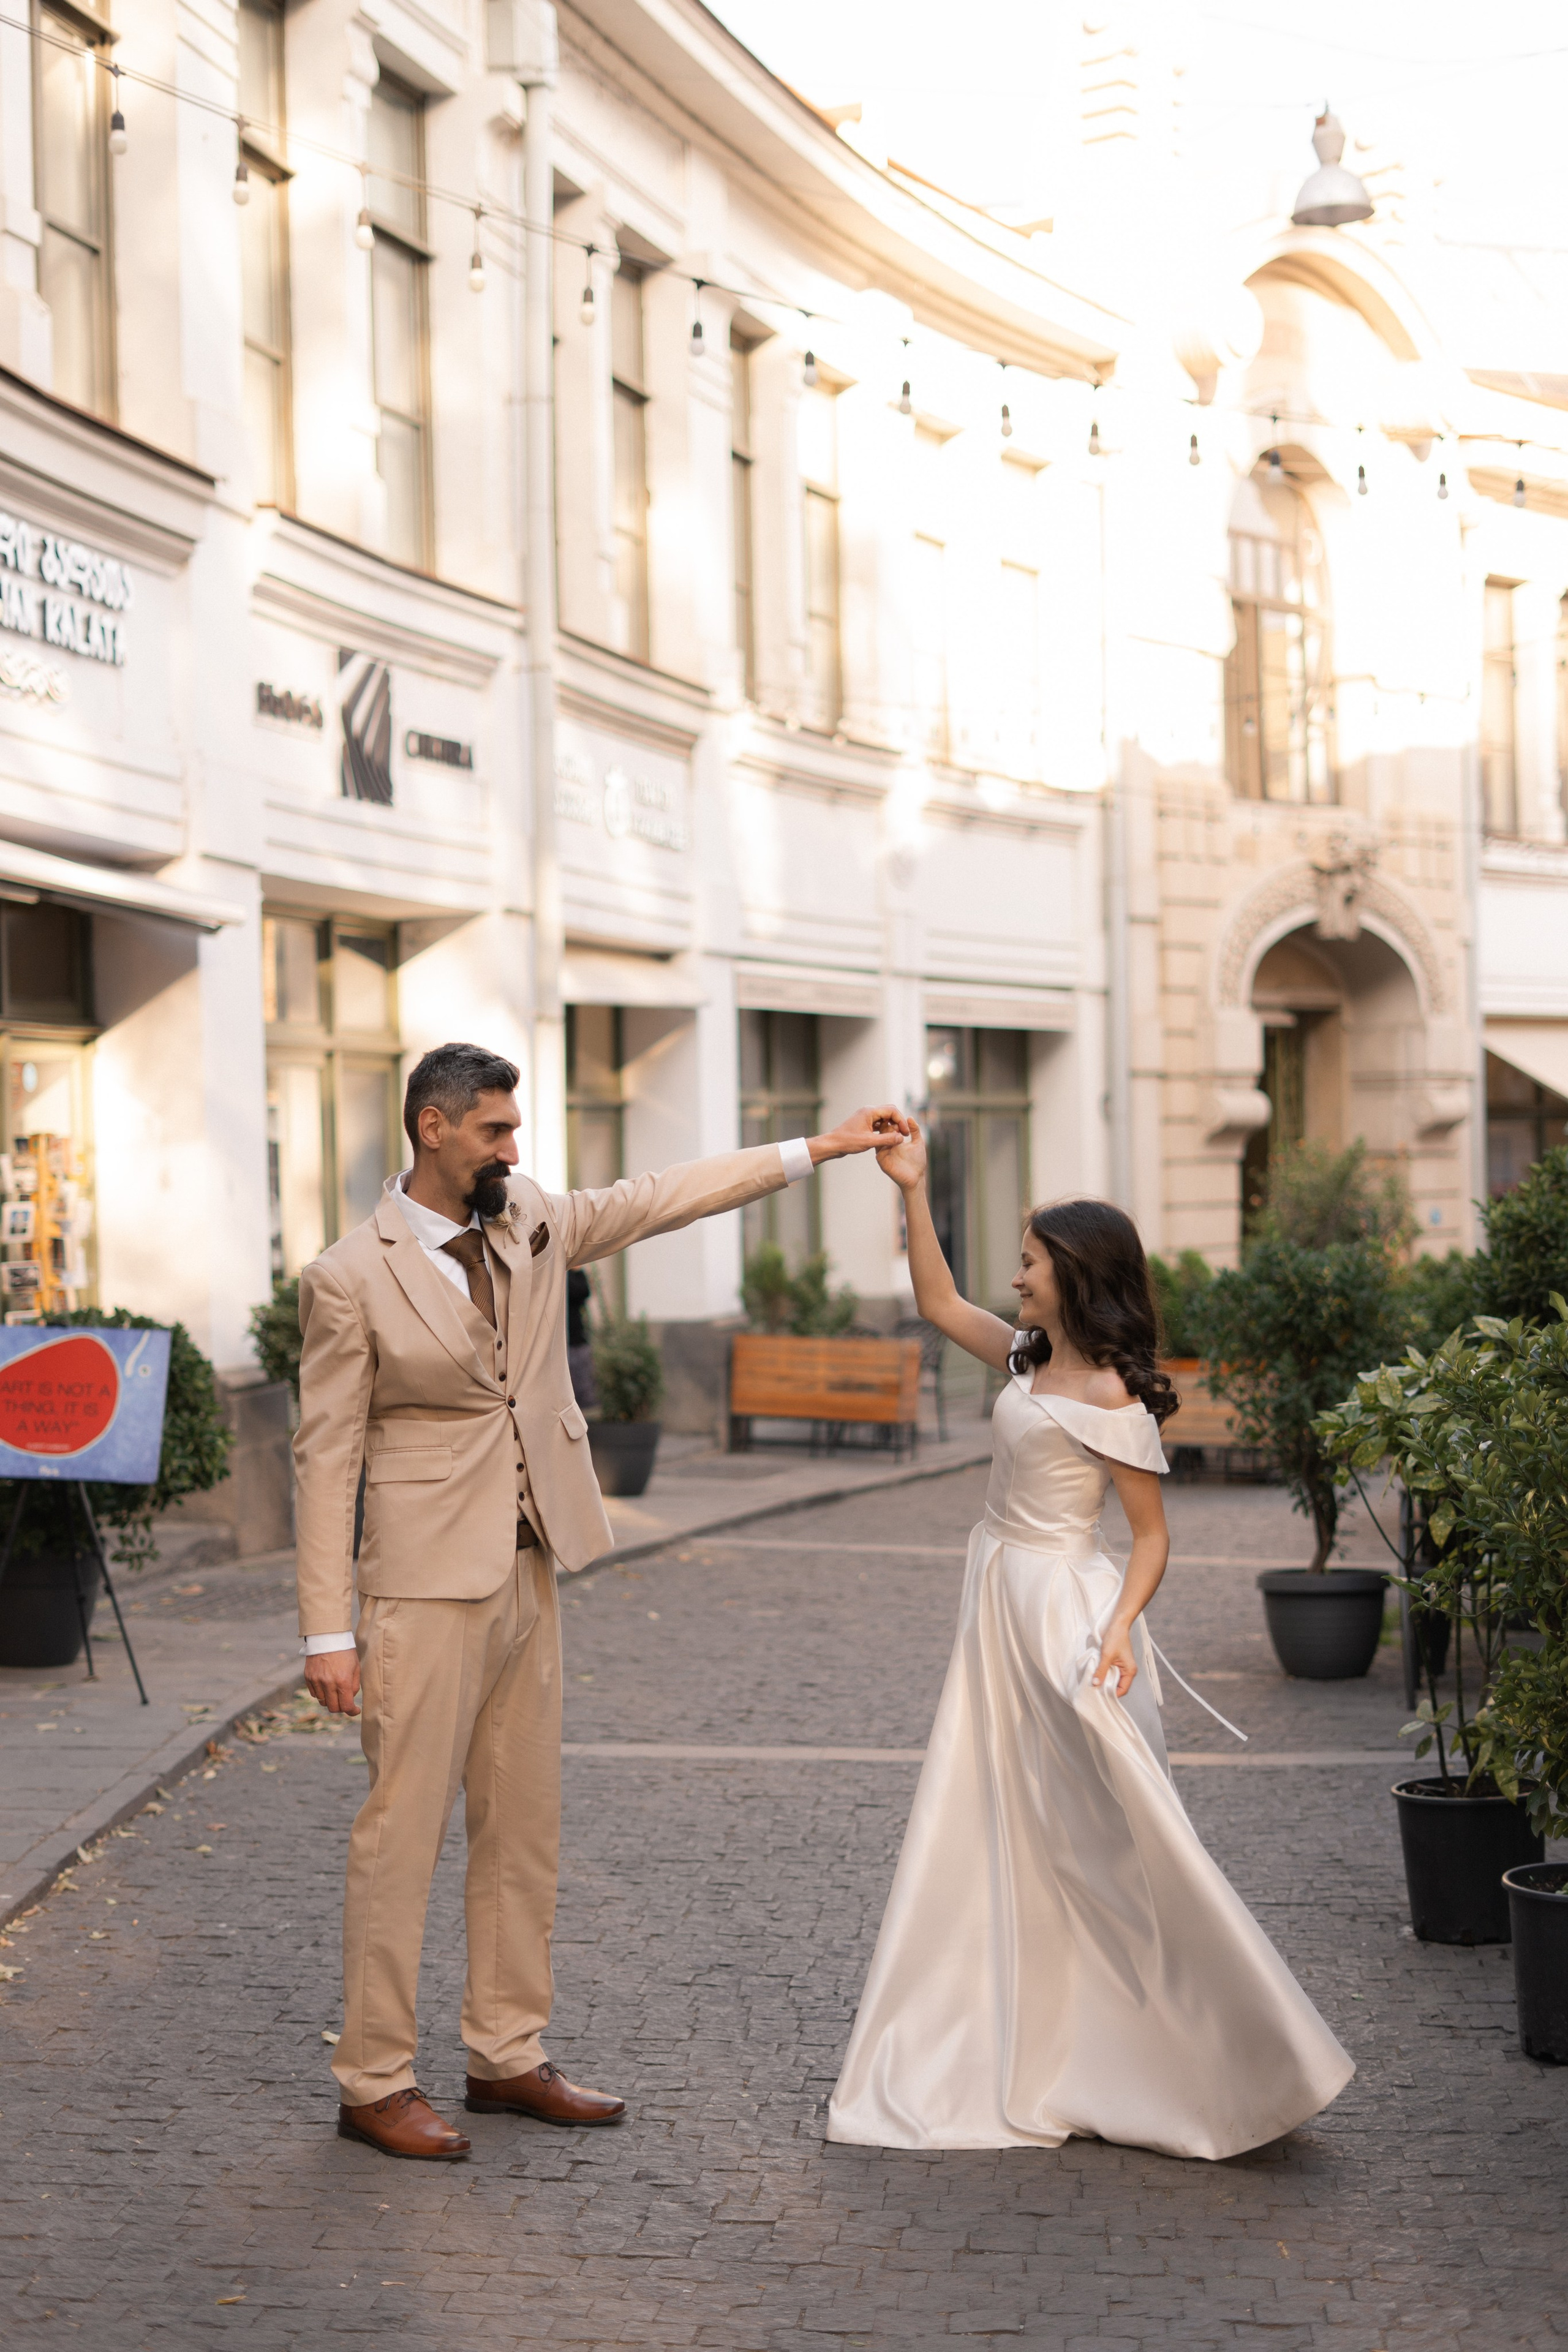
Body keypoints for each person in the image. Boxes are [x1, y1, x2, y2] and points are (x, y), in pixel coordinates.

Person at [295, 1041, 908, 2161]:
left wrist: (817, 1149)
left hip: (531, 1567)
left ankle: (506, 2055)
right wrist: (326, 1630)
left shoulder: (527, 1215)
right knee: (401, 1838)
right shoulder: (349, 1275)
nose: (513, 1148)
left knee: (524, 1829)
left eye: (514, 1130)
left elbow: (659, 1199)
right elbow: (325, 1458)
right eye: (493, 1129)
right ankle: (374, 2081)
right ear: (432, 1129)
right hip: (420, 1588)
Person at [826, 1122, 1353, 2162]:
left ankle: (1228, 2053)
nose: (1015, 1276)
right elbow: (936, 1305)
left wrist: (1118, 1631)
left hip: (1064, 1625)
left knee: (1112, 1842)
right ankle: (1026, 2032)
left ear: (1071, 1275)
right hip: (1000, 1605)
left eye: (1028, 1261)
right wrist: (913, 1189)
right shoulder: (1025, 1358)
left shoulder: (1113, 1398)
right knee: (1003, 1828)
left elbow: (1152, 1541)